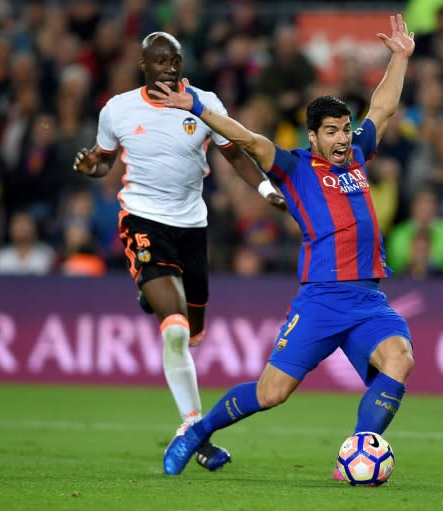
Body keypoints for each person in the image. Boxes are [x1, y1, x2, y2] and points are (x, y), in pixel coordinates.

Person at [149, 14, 416, 478]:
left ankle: (358, 447)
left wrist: (399, 58)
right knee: (272, 393)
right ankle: (198, 430)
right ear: (313, 137)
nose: (340, 137)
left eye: (344, 128)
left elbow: (384, 109)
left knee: (400, 357)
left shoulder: (357, 154)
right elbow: (246, 138)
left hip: (369, 299)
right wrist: (194, 104)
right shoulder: (294, 167)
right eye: (330, 131)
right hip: (322, 300)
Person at [71, 31, 286, 472]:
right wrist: (94, 168)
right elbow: (106, 159)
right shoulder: (118, 110)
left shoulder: (202, 105)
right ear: (143, 64)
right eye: (162, 61)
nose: (171, 68)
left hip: (192, 227)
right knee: (174, 329)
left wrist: (266, 188)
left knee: (192, 332)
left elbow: (236, 154)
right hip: (143, 221)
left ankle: (153, 292)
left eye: (177, 60)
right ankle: (193, 427)